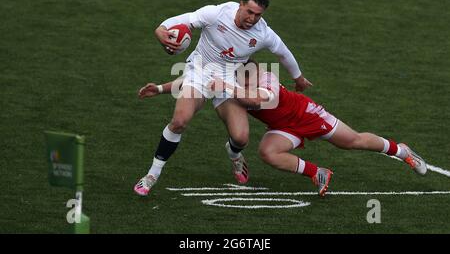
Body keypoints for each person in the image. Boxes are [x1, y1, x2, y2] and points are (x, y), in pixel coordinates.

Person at [139, 60, 427, 197]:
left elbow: (257, 99)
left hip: (306, 116)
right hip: (282, 127)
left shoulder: (265, 79)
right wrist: (162, 89)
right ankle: (319, 173)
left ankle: (401, 151)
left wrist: (228, 87)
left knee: (352, 141)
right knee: (267, 152)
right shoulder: (232, 78)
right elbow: (193, 84)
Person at [134, 0, 312, 196]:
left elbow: (283, 53)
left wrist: (298, 78)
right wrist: (160, 30)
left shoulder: (263, 33)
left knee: (241, 138)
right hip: (199, 72)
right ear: (240, 4)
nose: (252, 19)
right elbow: (183, 20)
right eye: (249, 12)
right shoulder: (216, 13)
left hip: (229, 80)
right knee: (180, 121)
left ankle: (234, 153)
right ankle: (152, 175)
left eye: (258, 15)